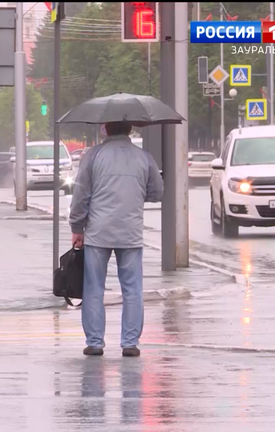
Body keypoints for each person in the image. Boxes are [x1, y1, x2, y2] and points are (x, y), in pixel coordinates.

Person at [69, 121, 164, 358]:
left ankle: (95, 343)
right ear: (130, 129)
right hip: (130, 232)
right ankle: (130, 343)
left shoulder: (93, 156)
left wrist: (77, 227)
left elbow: (81, 194)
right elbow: (157, 192)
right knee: (132, 289)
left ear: (106, 129)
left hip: (97, 232)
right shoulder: (144, 157)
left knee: (93, 288)